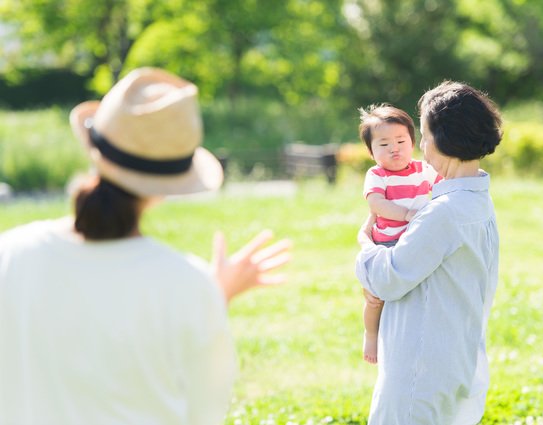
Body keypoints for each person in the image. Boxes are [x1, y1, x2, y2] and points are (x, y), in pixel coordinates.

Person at [0, 67, 291, 425]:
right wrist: (214, 299)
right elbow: (204, 413)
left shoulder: (11, 252)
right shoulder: (189, 285)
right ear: (166, 188)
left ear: (94, 151)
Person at [355, 81, 502, 425]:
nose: (420, 146)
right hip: (451, 357)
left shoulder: (444, 212)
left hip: (419, 369)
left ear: (444, 139)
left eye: (423, 135)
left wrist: (365, 246)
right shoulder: (476, 199)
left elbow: (388, 280)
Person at [357, 104, 440, 364]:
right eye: (383, 144)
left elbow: (442, 186)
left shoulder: (422, 169)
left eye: (401, 141)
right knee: (375, 298)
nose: (394, 148)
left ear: (413, 142)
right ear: (371, 152)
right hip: (388, 243)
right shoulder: (377, 174)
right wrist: (406, 215)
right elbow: (376, 204)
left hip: (416, 237)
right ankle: (371, 334)